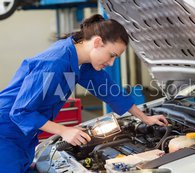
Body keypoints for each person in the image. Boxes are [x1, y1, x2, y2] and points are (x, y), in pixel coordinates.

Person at [0, 14, 168, 172]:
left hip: (24, 137)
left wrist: (145, 118)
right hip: (6, 134)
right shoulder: (55, 62)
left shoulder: (80, 61)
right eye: (111, 55)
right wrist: (64, 131)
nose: (111, 63)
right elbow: (21, 112)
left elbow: (109, 90)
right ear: (97, 42)